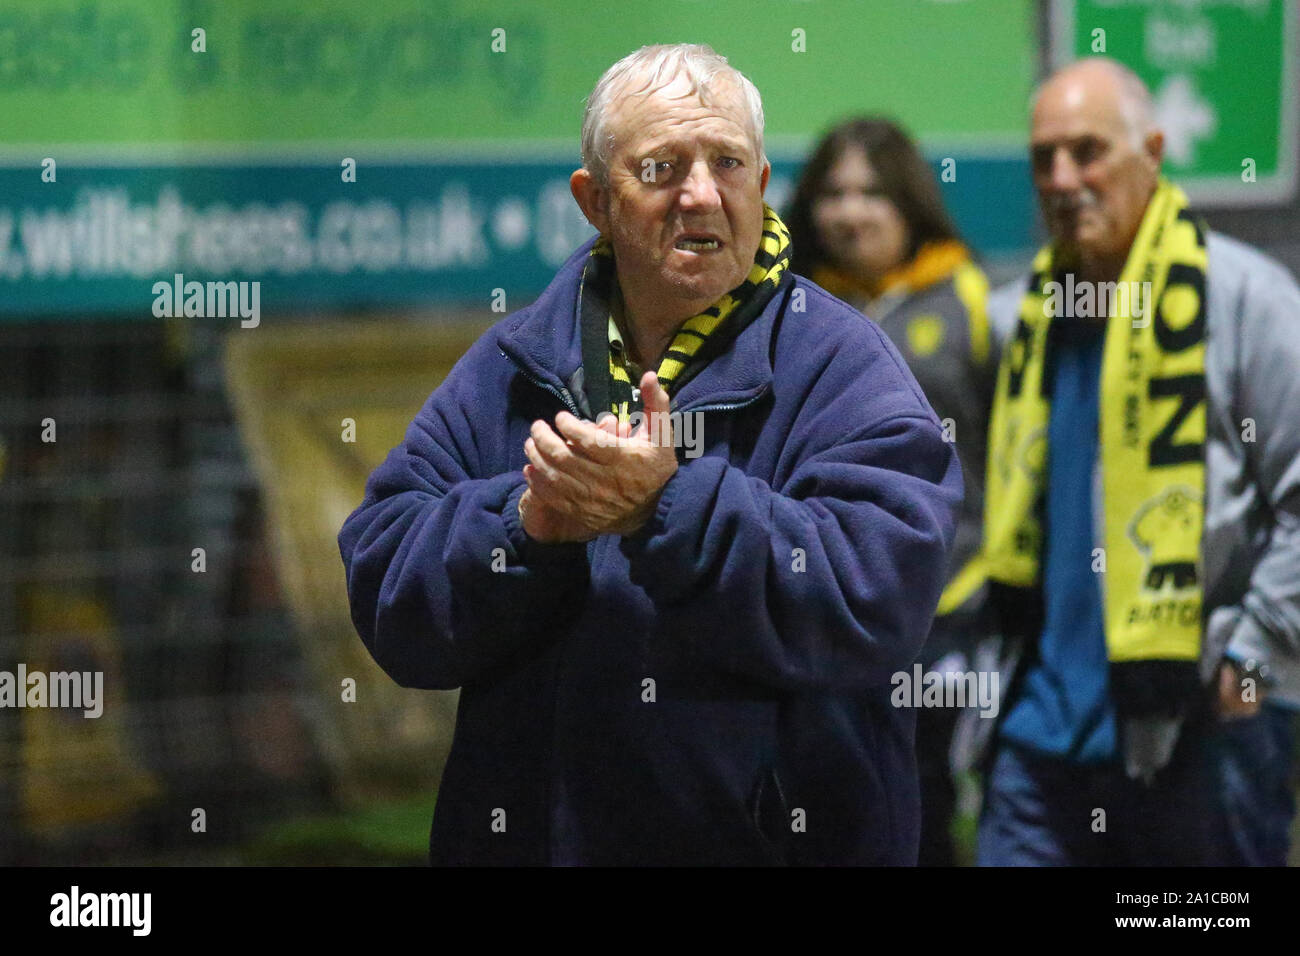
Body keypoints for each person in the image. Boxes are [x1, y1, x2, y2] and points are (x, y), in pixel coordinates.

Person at [336, 44, 962, 866]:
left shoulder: (843, 363)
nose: (701, 195)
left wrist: (669, 506)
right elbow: (387, 586)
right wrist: (524, 527)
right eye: (662, 167)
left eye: (727, 163)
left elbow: (879, 596)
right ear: (594, 200)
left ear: (762, 183)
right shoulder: (512, 360)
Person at [976, 57, 1300, 866]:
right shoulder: (1023, 319)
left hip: (1200, 724)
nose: (1062, 178)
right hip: (1039, 730)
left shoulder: (1246, 300)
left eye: (1087, 152)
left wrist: (1250, 656)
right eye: (1043, 158)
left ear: (1152, 151)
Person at [786, 118, 997, 866]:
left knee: (928, 801)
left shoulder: (972, 298)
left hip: (947, 611)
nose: (850, 212)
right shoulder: (786, 305)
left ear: (909, 201)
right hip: (818, 606)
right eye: (833, 193)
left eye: (872, 193)